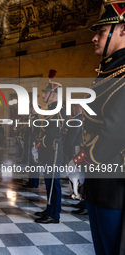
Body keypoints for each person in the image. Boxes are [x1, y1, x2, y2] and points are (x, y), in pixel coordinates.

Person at [70, 2, 125, 253]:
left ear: (122, 30)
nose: (94, 38)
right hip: (98, 181)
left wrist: (83, 158)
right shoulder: (109, 73)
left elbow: (115, 132)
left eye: (101, 31)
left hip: (114, 187)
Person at [34, 81, 66, 224]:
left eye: (45, 93)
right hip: (48, 150)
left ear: (53, 95)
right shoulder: (51, 108)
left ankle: (54, 215)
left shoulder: (59, 110)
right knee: (48, 182)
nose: (43, 95)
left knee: (53, 182)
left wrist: (43, 142)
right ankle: (49, 209)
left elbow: (55, 131)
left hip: (53, 150)